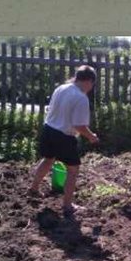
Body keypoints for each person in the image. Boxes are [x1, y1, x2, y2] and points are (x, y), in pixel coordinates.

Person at [27, 65, 99, 217]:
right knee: (73, 170)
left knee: (48, 159)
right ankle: (67, 206)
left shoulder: (61, 88)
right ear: (89, 81)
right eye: (93, 84)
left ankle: (33, 189)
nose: (92, 88)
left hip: (48, 129)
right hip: (64, 136)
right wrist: (91, 136)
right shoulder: (81, 98)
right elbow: (78, 125)